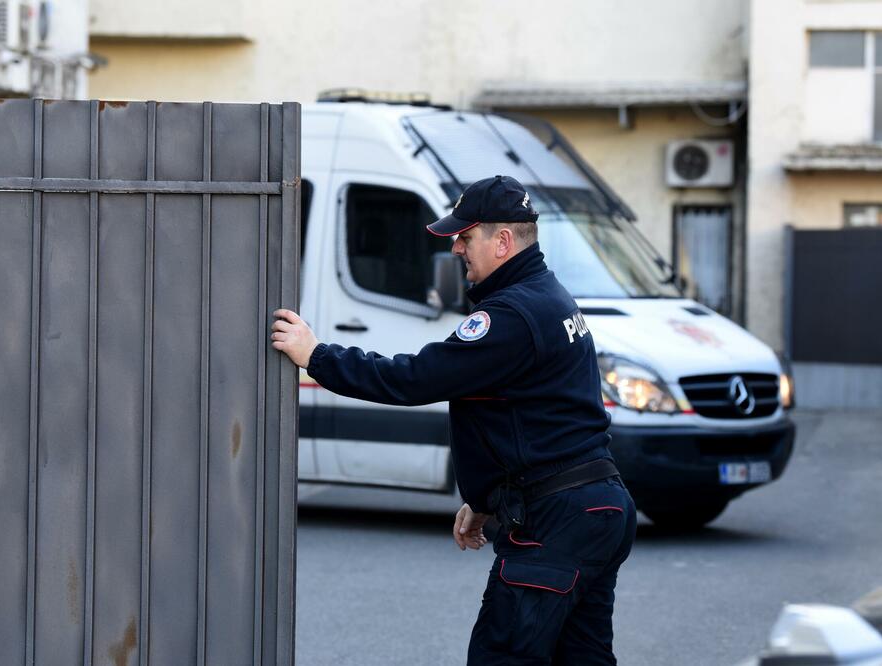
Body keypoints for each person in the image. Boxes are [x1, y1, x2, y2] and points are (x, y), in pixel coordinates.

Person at [271, 175, 637, 664]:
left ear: (502, 241)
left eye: (466, 237)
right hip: (595, 508)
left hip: (556, 520)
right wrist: (487, 501)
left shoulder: (510, 315)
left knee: (501, 656)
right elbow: (535, 417)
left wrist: (316, 355)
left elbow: (415, 379)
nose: (456, 247)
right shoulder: (550, 296)